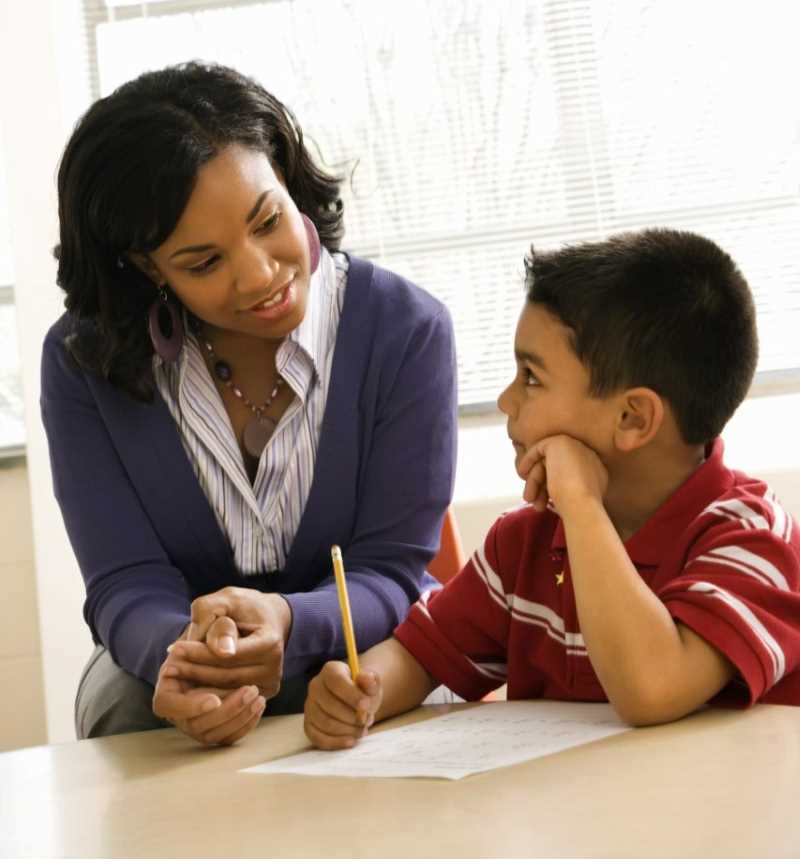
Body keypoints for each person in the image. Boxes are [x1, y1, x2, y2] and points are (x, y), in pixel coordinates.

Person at [42, 61, 457, 746]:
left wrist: (290, 620)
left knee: (423, 683)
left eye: (269, 220)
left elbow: (391, 570)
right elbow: (124, 580)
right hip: (176, 656)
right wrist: (188, 652)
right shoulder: (82, 361)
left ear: (288, 179)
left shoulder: (405, 330)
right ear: (147, 266)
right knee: (124, 707)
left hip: (365, 639)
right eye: (203, 262)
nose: (261, 275)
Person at [303, 228, 800, 749]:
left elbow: (651, 688)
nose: (505, 400)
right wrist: (364, 692)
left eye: (531, 378)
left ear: (632, 418)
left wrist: (583, 505)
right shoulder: (522, 546)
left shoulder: (752, 541)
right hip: (580, 821)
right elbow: (419, 654)